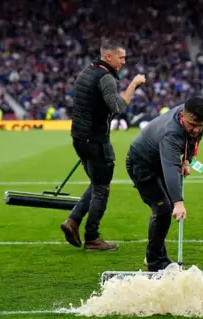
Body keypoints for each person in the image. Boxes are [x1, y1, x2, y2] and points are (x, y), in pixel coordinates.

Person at [60, 40, 146, 251]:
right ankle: (92, 237)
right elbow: (117, 107)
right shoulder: (105, 77)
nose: (124, 62)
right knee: (102, 188)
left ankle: (72, 221)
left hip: (79, 138)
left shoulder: (86, 72)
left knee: (96, 183)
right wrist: (133, 85)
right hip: (95, 141)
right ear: (108, 57)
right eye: (121, 57)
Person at [125, 97, 203, 271]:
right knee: (163, 208)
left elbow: (194, 139)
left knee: (164, 207)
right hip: (141, 164)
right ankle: (155, 261)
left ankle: (156, 255)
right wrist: (179, 203)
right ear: (184, 116)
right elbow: (171, 168)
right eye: (192, 124)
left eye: (200, 125)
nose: (196, 129)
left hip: (157, 160)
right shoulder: (171, 133)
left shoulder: (196, 119)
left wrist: (187, 160)